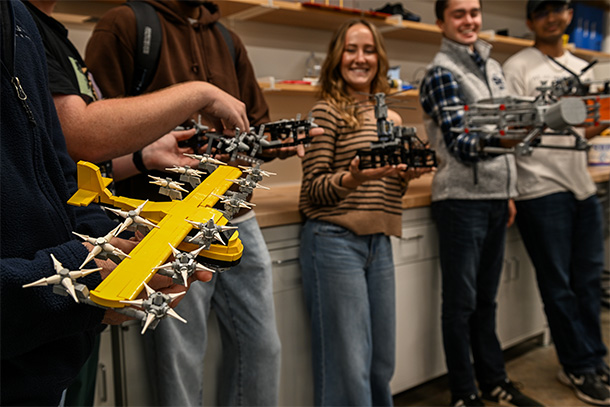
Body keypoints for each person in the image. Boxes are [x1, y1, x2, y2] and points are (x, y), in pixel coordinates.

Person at [84, 1, 318, 405]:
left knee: (262, 348)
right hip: (167, 225)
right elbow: (96, 130)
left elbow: (254, 125)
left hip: (234, 215)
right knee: (180, 358)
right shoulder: (124, 25)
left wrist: (281, 141)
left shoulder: (227, 39)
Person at [0, 1, 213, 405]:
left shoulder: (21, 20)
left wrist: (106, 245)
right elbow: (81, 137)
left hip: (47, 360)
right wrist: (77, 283)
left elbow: (58, 164)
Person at [418, 1, 545, 406]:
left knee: (486, 301)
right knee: (460, 304)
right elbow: (461, 144)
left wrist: (507, 190)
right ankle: (464, 392)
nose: (469, 20)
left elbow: (509, 125)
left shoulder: (492, 67)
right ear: (441, 22)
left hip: (494, 198)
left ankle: (494, 380)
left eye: (474, 11)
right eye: (459, 13)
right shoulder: (441, 72)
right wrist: (512, 137)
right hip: (460, 201)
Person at [299, 19, 426, 406]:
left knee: (380, 363)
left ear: (380, 58)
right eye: (351, 49)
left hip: (379, 243)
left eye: (368, 50)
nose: (360, 58)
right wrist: (353, 178)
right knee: (348, 366)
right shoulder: (325, 112)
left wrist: (408, 174)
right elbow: (314, 190)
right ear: (337, 57)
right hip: (334, 241)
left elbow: (389, 188)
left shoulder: (392, 118)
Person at [503, 1, 610, 405]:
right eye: (543, 10)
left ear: (569, 14)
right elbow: (508, 131)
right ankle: (578, 366)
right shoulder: (518, 67)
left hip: (581, 184)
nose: (553, 17)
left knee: (587, 281)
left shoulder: (583, 68)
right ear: (530, 21)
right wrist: (511, 190)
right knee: (559, 286)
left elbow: (587, 125)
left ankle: (593, 359)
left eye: (560, 8)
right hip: (539, 188)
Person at [23, 0, 249, 183]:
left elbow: (69, 159)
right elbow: (82, 138)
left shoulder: (48, 32)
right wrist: (199, 94)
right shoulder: (18, 27)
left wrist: (145, 156)